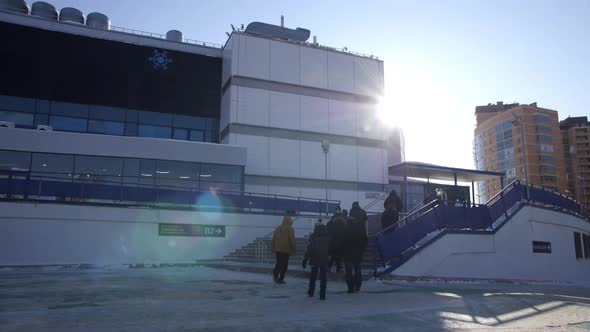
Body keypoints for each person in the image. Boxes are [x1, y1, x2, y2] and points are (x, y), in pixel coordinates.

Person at [302, 222, 330, 300]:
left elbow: (309, 249)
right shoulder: (327, 237)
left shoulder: (313, 237)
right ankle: (322, 294)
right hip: (324, 259)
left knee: (313, 276)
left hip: (315, 259)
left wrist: (305, 259)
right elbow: (330, 249)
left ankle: (311, 291)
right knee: (323, 278)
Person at [343, 209, 368, 293]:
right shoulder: (361, 227)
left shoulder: (346, 227)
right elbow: (365, 239)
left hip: (347, 253)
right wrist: (362, 249)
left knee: (349, 271)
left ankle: (350, 287)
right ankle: (358, 286)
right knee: (357, 269)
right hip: (358, 252)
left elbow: (341, 240)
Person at [271, 211, 296, 284]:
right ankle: (281, 278)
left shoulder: (278, 228)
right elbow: (292, 240)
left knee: (278, 263)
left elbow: (274, 239)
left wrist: (273, 248)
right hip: (286, 250)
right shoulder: (290, 229)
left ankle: (275, 275)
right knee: (284, 265)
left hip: (278, 250)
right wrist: (294, 249)